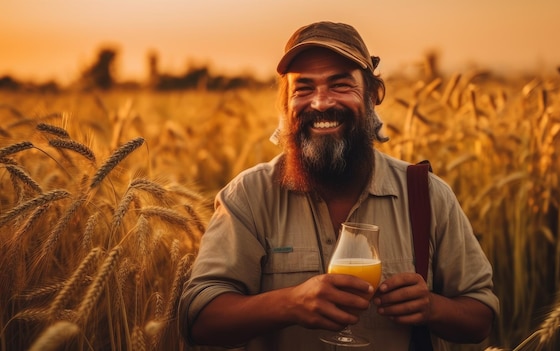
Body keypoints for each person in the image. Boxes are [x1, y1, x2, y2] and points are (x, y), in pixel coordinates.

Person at [178, 21, 499, 351]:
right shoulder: (249, 196)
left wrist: (433, 308)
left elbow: (481, 318)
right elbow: (199, 320)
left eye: (340, 85)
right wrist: (291, 303)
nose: (321, 103)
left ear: (374, 94)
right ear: (285, 105)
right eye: (303, 88)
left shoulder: (427, 195)